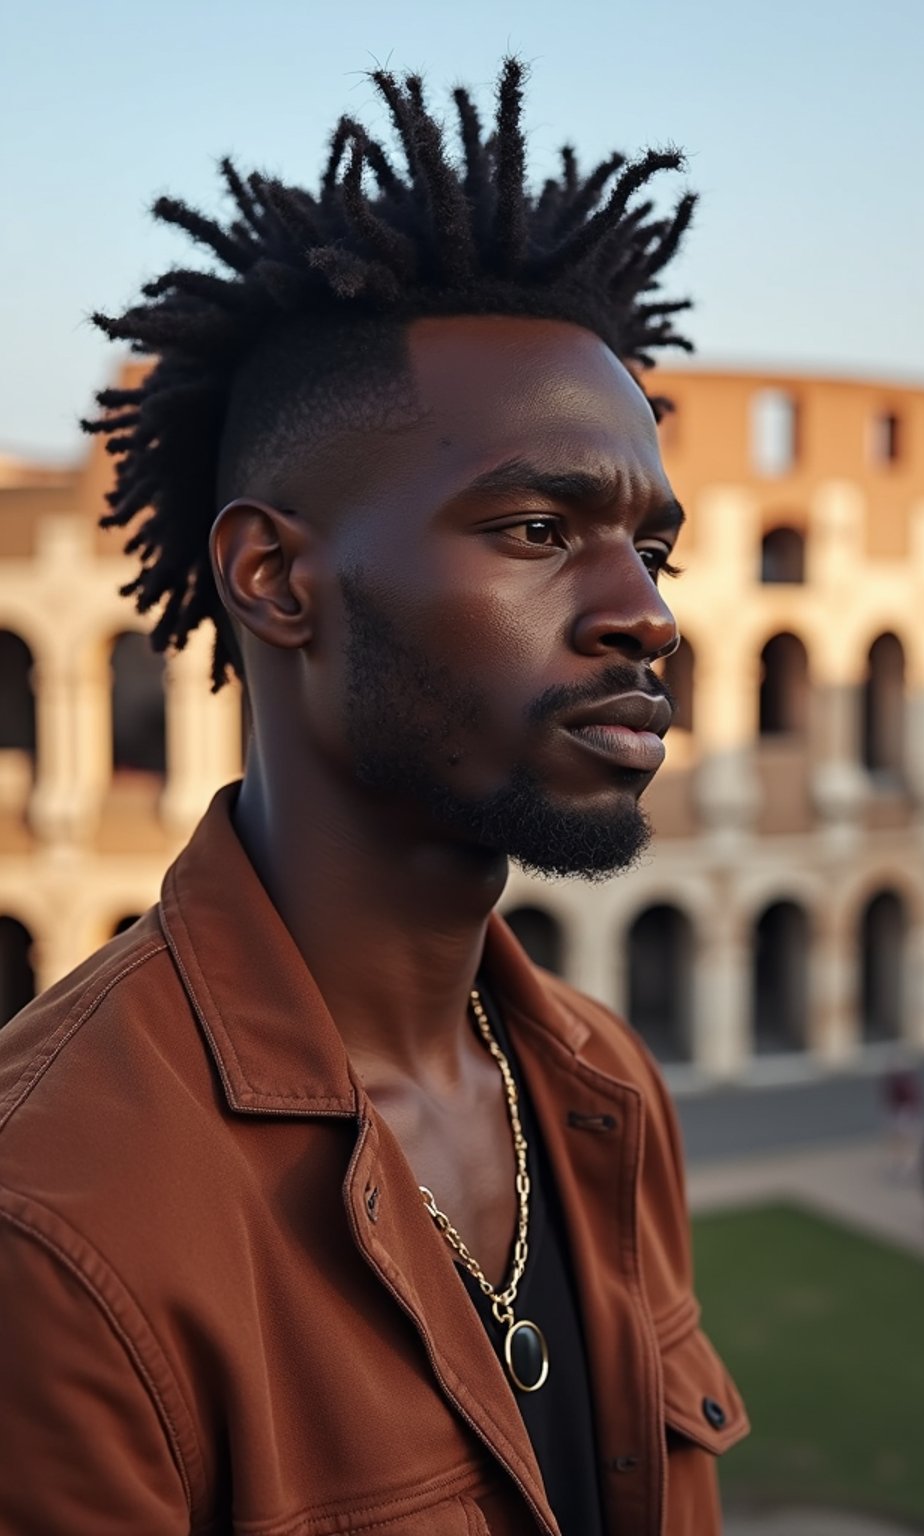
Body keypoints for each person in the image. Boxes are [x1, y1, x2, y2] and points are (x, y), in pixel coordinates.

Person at [0, 61, 747, 1536]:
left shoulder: (606, 1090)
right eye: (540, 528)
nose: (647, 615)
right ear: (278, 579)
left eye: (651, 547)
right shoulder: (59, 1218)